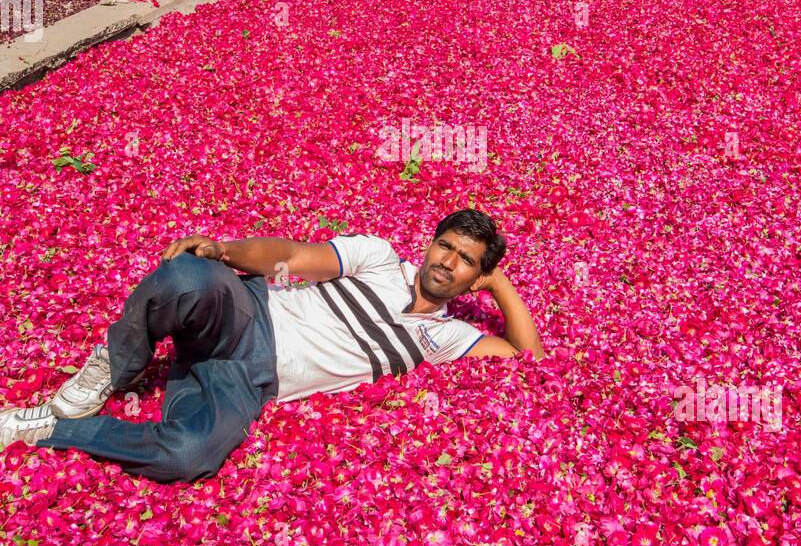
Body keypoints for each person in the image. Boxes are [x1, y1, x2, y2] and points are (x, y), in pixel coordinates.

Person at [0, 209, 544, 485]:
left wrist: (499, 285)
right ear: (429, 244)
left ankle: (48, 429)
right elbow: (294, 256)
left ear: (476, 277)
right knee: (187, 274)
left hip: (249, 382)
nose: (446, 262)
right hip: (247, 317)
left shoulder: (449, 337)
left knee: (189, 456)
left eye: (465, 261)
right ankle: (110, 371)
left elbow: (529, 358)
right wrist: (224, 248)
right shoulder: (379, 259)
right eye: (444, 246)